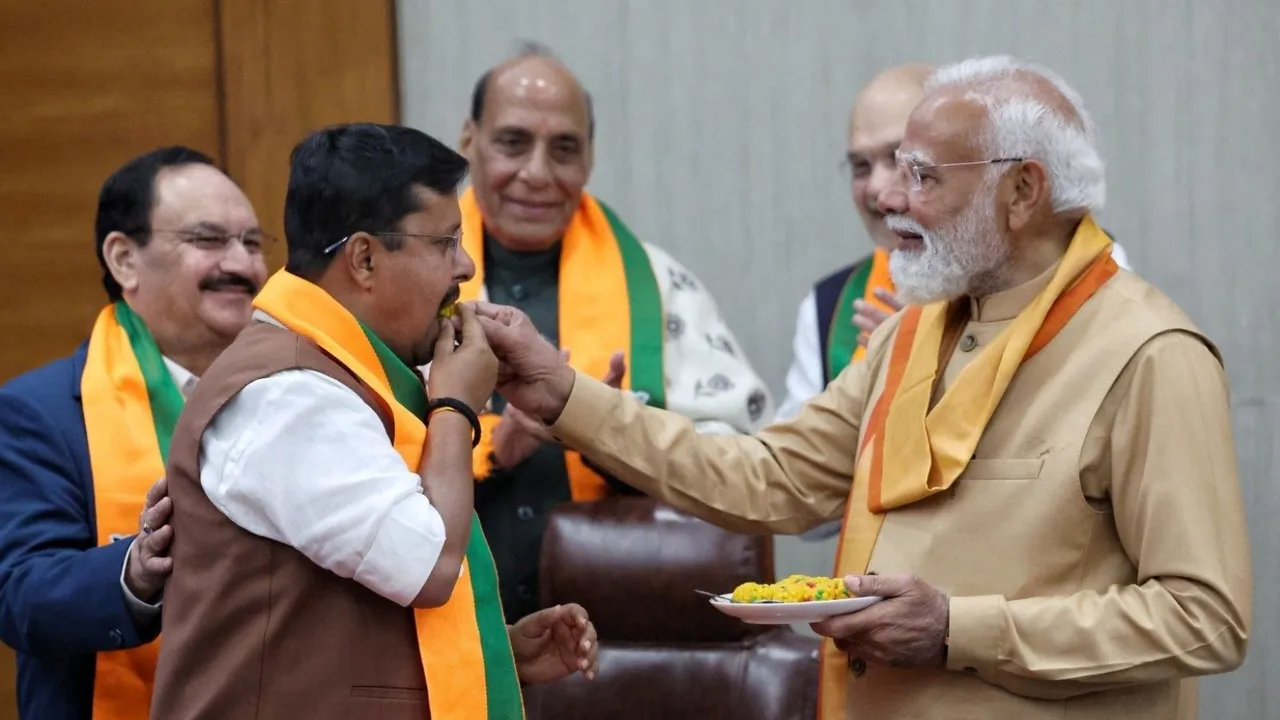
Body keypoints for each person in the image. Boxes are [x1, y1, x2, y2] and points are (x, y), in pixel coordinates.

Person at [472, 55, 1251, 719]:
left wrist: (958, 629)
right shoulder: (912, 335)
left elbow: (1205, 618)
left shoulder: (1147, 353)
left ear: (1022, 191)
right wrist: (563, 392)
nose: (889, 198)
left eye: (922, 176)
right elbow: (768, 477)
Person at [149, 123, 598, 720]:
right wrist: (456, 406)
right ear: (363, 259)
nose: (466, 266)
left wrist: (492, 649)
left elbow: (335, 614)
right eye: (445, 243)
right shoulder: (286, 396)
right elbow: (429, 566)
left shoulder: (346, 373)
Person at [456, 43, 774, 621]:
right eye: (513, 143)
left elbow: (743, 461)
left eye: (564, 149)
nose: (537, 173)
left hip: (618, 632)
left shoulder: (658, 285)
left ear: (590, 157)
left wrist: (607, 432)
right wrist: (495, 449)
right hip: (448, 621)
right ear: (468, 140)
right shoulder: (414, 281)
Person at [0, 147, 268, 720]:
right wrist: (136, 572)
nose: (242, 265)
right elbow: (21, 595)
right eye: (208, 239)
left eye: (252, 243)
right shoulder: (38, 412)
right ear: (124, 259)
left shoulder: (293, 393)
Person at [778, 63, 1133, 422]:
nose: (879, 190)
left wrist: (933, 358)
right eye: (860, 166)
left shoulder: (1095, 276)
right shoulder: (831, 305)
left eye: (911, 165)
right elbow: (804, 447)